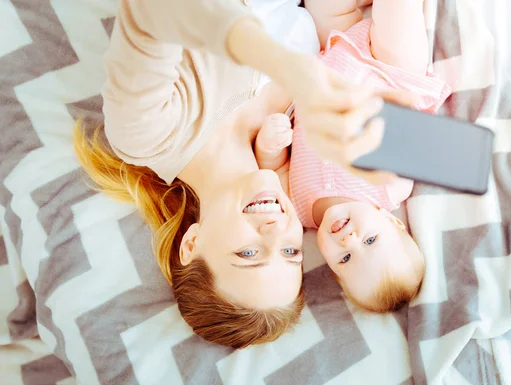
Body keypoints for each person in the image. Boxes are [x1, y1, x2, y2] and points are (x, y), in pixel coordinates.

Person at [73, 0, 392, 348]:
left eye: (249, 254)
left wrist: (288, 69)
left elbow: (149, 11)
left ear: (191, 244)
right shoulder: (297, 133)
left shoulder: (148, 136)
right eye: (289, 252)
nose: (275, 232)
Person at [253, 0, 452, 312]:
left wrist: (269, 146)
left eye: (345, 258)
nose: (349, 240)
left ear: (331, 266)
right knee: (398, 16)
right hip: (388, 70)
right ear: (392, 222)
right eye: (370, 240)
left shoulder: (299, 212)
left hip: (330, 51)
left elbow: (274, 169)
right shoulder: (388, 188)